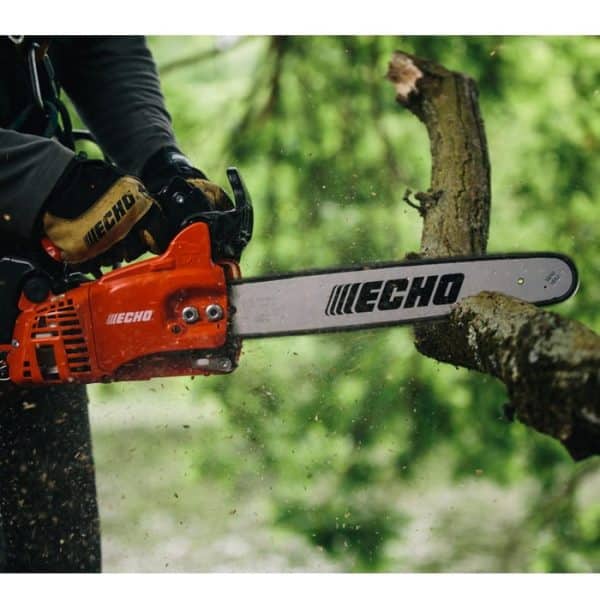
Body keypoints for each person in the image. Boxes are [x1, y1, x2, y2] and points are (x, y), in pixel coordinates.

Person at [0, 36, 232, 572]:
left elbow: (99, 43)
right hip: (29, 195)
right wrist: (44, 180)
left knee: (57, 562)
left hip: (31, 309)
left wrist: (159, 164)